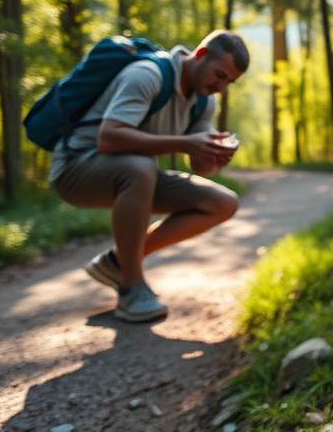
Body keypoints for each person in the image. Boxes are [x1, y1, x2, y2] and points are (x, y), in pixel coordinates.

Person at [49, 30, 249, 322]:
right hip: (75, 168)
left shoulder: (204, 101)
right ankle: (131, 288)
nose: (220, 87)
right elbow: (109, 138)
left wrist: (215, 155)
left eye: (228, 82)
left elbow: (200, 168)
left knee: (223, 202)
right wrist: (185, 143)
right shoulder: (147, 75)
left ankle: (118, 261)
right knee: (141, 167)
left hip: (135, 175)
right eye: (219, 75)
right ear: (201, 55)